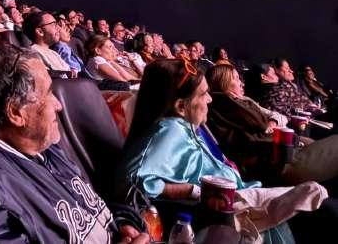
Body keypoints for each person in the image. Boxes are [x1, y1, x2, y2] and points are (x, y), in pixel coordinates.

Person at [0, 43, 150, 244]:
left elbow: (92, 208)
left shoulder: (39, 142)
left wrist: (122, 222)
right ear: (16, 112)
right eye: (48, 93)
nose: (59, 105)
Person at [118, 58, 326, 242]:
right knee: (320, 202)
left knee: (317, 198)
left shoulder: (187, 126)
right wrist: (193, 191)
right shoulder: (170, 129)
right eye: (204, 94)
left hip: (240, 198)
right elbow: (130, 181)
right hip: (225, 214)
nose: (210, 99)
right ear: (181, 106)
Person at [206, 64, 338, 185]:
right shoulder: (225, 103)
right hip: (280, 164)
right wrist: (244, 101)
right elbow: (261, 124)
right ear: (223, 82)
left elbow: (270, 120)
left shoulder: (233, 103)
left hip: (280, 157)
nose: (242, 83)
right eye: (236, 78)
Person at [252, 59, 318, 117]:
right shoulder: (274, 90)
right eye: (274, 73)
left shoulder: (278, 87)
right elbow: (284, 112)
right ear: (264, 76)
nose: (277, 76)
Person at [22, 11, 75, 78]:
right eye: (54, 24)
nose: (58, 28)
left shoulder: (54, 53)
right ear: (40, 32)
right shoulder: (33, 53)